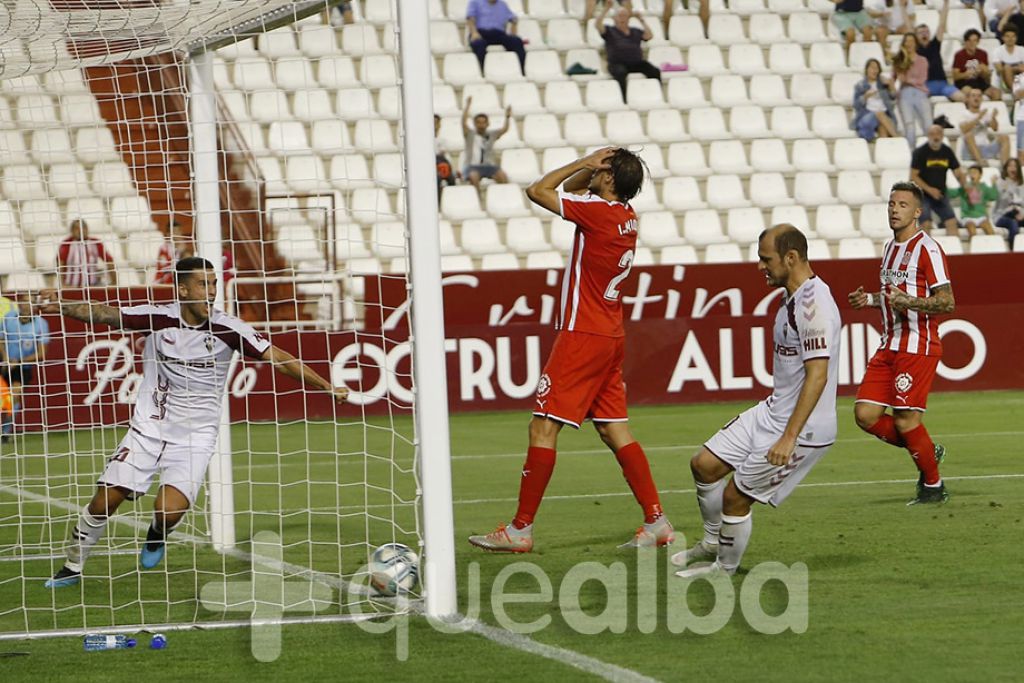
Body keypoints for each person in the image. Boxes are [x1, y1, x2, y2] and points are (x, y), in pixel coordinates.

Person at [42, 257, 347, 588]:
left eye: (214, 283)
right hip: (148, 429)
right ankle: (73, 565)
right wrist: (56, 305)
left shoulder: (230, 328)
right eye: (204, 284)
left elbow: (281, 359)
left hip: (195, 437)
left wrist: (327, 387)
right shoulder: (157, 317)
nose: (212, 291)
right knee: (104, 502)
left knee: (168, 511)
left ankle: (158, 532)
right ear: (182, 288)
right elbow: (103, 313)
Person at [467, 147, 674, 552]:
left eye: (603, 171)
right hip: (610, 334)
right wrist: (594, 172)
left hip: (583, 335)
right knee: (615, 429)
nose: (595, 172)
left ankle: (520, 529)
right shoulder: (626, 218)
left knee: (543, 426)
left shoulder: (597, 213)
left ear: (610, 179)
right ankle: (657, 522)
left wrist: (584, 163)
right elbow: (576, 191)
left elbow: (537, 189)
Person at [672, 225, 842, 578]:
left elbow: (818, 376)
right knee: (704, 464)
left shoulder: (813, 307)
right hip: (774, 411)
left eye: (766, 259)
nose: (759, 267)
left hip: (802, 428)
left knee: (736, 497)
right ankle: (713, 541)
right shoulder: (792, 296)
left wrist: (789, 437)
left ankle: (724, 569)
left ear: (791, 258)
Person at [849, 182, 955, 506]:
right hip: (890, 343)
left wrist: (909, 300)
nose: (895, 210)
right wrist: (869, 299)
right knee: (865, 415)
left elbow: (947, 301)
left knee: (906, 420)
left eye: (903, 205)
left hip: (917, 344)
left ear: (917, 212)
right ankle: (924, 451)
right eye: (892, 204)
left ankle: (933, 487)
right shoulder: (890, 249)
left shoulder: (928, 249)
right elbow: (891, 297)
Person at [1, 298, 50, 441]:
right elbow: (1, 339)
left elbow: (41, 354)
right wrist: (5, 358)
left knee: (14, 396)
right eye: (23, 302)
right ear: (19, 304)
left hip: (22, 366)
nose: (26, 306)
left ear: (34, 306)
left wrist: (18, 361)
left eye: (30, 303)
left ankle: (5, 432)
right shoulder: (9, 318)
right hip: (3, 362)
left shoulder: (41, 324)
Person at [910, 124, 966, 235]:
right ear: (928, 136)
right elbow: (913, 176)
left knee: (951, 222)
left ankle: (952, 250)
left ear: (942, 135)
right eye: (932, 134)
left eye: (938, 134)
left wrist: (964, 184)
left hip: (940, 193)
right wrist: (930, 190)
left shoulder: (947, 151)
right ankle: (924, 250)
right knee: (926, 223)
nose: (935, 137)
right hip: (923, 194)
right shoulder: (920, 152)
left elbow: (957, 171)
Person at [598, 6, 661, 102]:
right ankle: (624, 100)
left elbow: (649, 36)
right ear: (614, 18)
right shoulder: (609, 31)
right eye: (620, 16)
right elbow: (597, 25)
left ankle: (657, 96)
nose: (622, 18)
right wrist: (605, 10)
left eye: (625, 16)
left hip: (635, 63)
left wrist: (641, 20)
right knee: (620, 73)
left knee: (654, 71)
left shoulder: (635, 31)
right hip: (617, 63)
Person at [914, 1, 966, 104]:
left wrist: (946, 4)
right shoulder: (915, 49)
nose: (924, 35)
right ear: (916, 36)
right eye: (921, 33)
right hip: (925, 85)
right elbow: (908, 28)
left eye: (926, 32)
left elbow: (942, 24)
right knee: (917, 100)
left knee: (961, 97)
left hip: (942, 84)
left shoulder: (935, 45)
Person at [461, 97, 512, 189]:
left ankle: (504, 198)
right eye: (478, 123)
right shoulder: (469, 134)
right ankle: (478, 199)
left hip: (488, 166)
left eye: (483, 122)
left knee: (502, 175)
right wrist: (467, 106)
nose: (481, 125)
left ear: (488, 123)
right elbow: (463, 123)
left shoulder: (492, 134)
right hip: (472, 166)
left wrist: (507, 117)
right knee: (474, 177)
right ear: (475, 124)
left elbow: (505, 129)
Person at [466, 0, 526, 76]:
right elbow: (470, 19)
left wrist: (513, 28)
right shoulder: (475, 2)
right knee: (478, 44)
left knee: (516, 41)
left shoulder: (502, 5)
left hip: (498, 34)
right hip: (481, 33)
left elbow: (513, 18)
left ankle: (520, 71)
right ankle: (483, 71)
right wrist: (474, 32)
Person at [893, 32, 931, 146]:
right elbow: (894, 78)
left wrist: (907, 80)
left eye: (911, 41)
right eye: (906, 41)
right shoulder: (899, 60)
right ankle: (911, 151)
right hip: (905, 93)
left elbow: (922, 79)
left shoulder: (922, 60)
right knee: (909, 124)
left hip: (920, 92)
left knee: (928, 123)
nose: (909, 44)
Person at [56, 219, 116, 289]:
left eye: (83, 228)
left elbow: (109, 260)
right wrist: (63, 284)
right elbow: (60, 264)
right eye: (77, 228)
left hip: (93, 286)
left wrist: (114, 282)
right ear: (72, 231)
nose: (81, 231)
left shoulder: (95, 243)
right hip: (72, 286)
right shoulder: (66, 244)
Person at [959, 88, 1011, 164]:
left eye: (979, 96)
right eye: (973, 96)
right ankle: (980, 163)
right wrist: (979, 117)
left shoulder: (985, 114)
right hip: (969, 151)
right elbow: (964, 129)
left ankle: (1006, 167)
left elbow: (995, 128)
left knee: (1004, 137)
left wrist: (993, 118)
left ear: (982, 99)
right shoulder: (964, 114)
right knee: (968, 135)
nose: (976, 98)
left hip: (985, 148)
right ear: (968, 99)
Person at [852, 58, 899, 141]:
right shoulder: (860, 86)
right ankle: (897, 138)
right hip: (867, 115)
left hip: (885, 115)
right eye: (872, 68)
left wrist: (891, 86)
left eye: (877, 68)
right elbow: (856, 106)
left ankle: (884, 150)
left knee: (883, 130)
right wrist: (865, 97)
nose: (875, 70)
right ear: (866, 70)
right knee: (879, 113)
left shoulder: (883, 83)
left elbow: (893, 97)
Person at [947, 165, 999, 236]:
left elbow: (993, 197)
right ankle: (974, 246)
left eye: (974, 173)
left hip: (981, 216)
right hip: (968, 217)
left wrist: (993, 184)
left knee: (989, 229)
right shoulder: (965, 187)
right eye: (970, 173)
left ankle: (992, 246)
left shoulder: (984, 187)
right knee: (971, 229)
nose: (972, 175)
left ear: (980, 175)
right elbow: (952, 194)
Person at [952, 29, 1001, 101]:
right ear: (965, 42)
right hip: (964, 83)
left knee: (996, 92)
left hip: (979, 81)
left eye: (975, 40)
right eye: (969, 41)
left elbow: (987, 77)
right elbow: (955, 76)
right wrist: (966, 74)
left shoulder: (983, 54)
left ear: (978, 41)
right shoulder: (959, 55)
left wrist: (984, 71)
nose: (972, 43)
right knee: (971, 93)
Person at [994, 157, 1024, 247]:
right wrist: (1006, 189)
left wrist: (1022, 213)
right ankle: (1013, 252)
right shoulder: (1000, 183)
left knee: (1016, 219)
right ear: (1006, 169)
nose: (1012, 168)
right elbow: (1001, 203)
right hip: (1002, 215)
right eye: (1010, 166)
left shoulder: (1021, 185)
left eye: (1015, 166)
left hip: (1019, 214)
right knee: (1013, 223)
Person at [154, 219, 194, 285]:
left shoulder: (186, 248)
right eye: (173, 232)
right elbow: (163, 268)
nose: (176, 235)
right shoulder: (164, 249)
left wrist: (183, 252)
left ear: (181, 232)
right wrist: (177, 253)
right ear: (168, 234)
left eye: (177, 232)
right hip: (164, 279)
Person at [993, 25, 1024, 91]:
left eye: (1013, 36)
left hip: (1021, 78)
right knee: (1007, 68)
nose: (1010, 39)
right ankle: (1015, 91)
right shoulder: (998, 51)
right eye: (1007, 36)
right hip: (1004, 80)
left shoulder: (1021, 50)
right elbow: (999, 69)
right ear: (1003, 37)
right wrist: (1015, 69)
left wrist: (1012, 69)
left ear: (1016, 38)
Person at [435, 114, 456, 195]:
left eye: (436, 122)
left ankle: (451, 199)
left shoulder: (443, 141)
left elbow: (443, 155)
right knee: (437, 178)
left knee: (451, 177)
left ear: (439, 124)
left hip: (440, 165)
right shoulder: (423, 140)